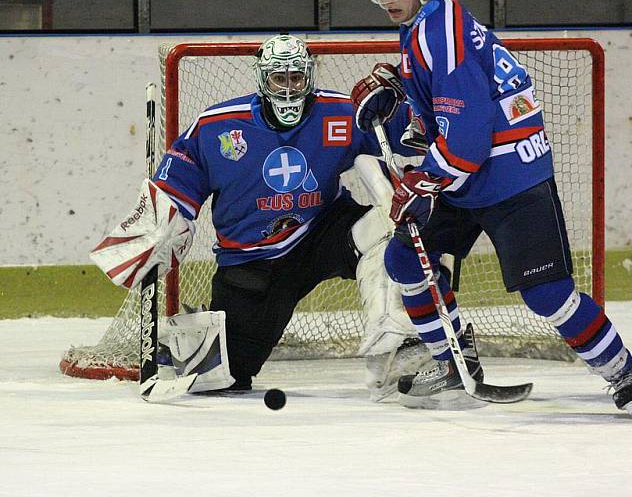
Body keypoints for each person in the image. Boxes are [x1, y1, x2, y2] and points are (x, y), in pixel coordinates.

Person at [351, 0, 632, 417]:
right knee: (406, 260)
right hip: (468, 175)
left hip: (511, 176)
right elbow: (445, 114)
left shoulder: (438, 34)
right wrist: (398, 94)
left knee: (546, 294)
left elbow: (469, 135)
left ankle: (623, 373)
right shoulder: (424, 23)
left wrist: (426, 182)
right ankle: (453, 362)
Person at [91, 34, 432, 400]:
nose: (289, 88)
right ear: (261, 79)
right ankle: (182, 344)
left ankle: (398, 345)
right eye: (279, 79)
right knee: (226, 377)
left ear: (309, 77)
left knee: (388, 229)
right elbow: (178, 181)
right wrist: (160, 224)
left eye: (296, 78)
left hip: (321, 230)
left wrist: (413, 106)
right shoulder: (217, 126)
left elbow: (415, 133)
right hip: (251, 259)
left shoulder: (343, 112)